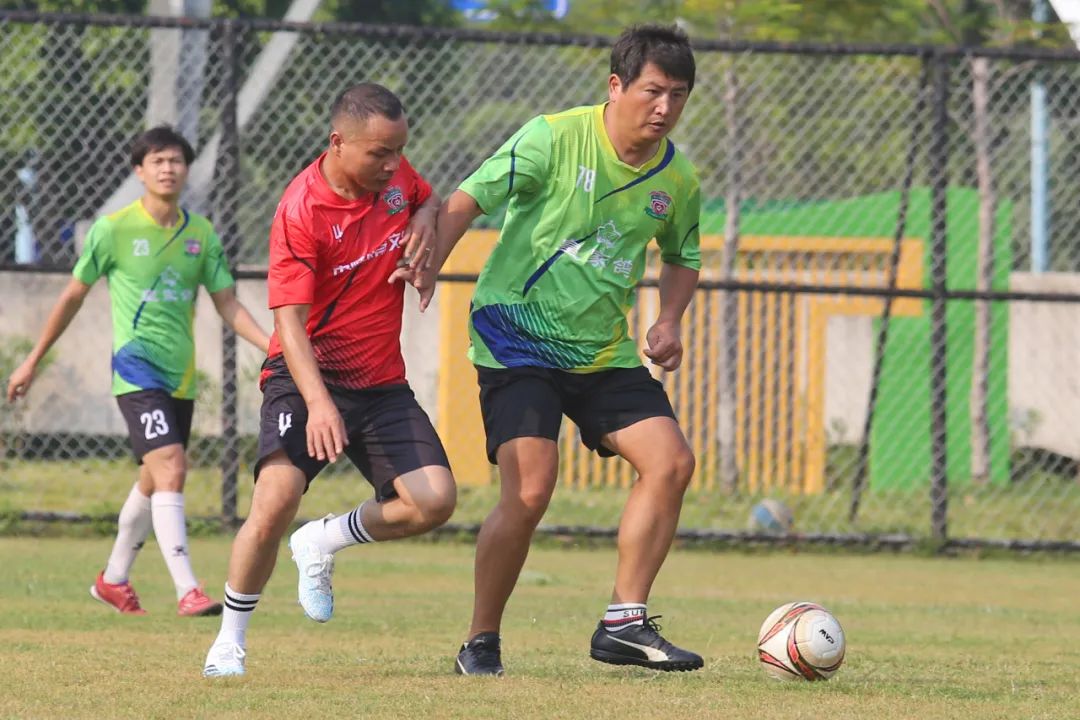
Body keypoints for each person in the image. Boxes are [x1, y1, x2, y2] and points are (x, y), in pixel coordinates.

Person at [425, 24, 705, 676]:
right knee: (529, 493)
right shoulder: (553, 137)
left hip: (601, 352)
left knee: (672, 463)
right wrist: (429, 264)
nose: (664, 108)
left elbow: (683, 256)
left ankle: (624, 622)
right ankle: (480, 640)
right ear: (616, 86)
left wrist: (669, 319)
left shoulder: (678, 177)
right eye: (653, 91)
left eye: (679, 95)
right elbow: (468, 197)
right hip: (515, 338)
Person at [201, 83, 456, 678]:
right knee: (276, 498)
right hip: (303, 376)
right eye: (379, 153)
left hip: (381, 383)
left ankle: (323, 540)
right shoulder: (301, 210)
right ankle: (228, 643)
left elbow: (427, 193)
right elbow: (287, 322)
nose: (392, 165)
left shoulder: (393, 176)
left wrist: (423, 216)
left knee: (435, 502)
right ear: (337, 143)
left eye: (400, 151)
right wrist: (318, 405)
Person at [6, 125, 271, 616]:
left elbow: (227, 303)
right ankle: (188, 589)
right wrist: (31, 361)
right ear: (139, 171)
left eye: (175, 160)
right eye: (157, 161)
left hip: (181, 377)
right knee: (171, 466)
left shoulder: (201, 234)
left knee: (154, 479)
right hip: (135, 370)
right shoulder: (114, 229)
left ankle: (112, 580)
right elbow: (71, 297)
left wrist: (273, 345)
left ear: (186, 169)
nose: (167, 168)